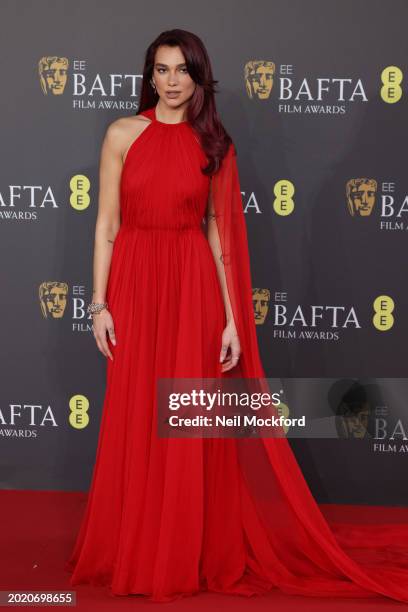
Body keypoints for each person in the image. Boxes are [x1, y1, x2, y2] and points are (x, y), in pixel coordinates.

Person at [65, 29, 408, 603]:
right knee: (135, 415)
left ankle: (181, 551)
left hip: (192, 286)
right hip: (134, 282)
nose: (172, 81)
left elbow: (220, 235)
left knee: (187, 421)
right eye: (162, 69)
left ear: (200, 78)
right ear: (149, 75)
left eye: (183, 71)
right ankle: (133, 545)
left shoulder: (214, 145)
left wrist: (231, 319)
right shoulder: (122, 134)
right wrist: (97, 305)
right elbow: (105, 224)